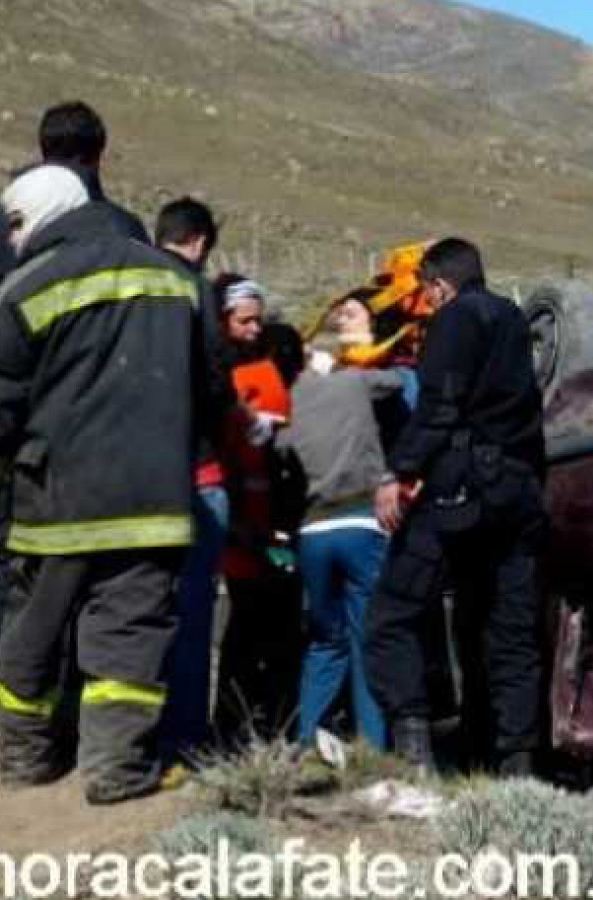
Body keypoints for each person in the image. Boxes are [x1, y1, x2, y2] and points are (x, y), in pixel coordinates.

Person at [0, 165, 205, 804]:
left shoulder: (22, 290)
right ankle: (117, 769)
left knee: (33, 630)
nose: (11, 239)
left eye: (15, 223)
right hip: (154, 499)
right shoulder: (177, 280)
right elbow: (212, 386)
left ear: (44, 214)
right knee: (130, 632)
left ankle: (22, 757)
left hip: (55, 500)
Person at [0, 100, 149, 671]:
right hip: (105, 429)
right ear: (100, 153)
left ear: (42, 151)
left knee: (8, 552)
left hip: (14, 418)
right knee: (97, 576)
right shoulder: (121, 230)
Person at [364, 238, 547, 775]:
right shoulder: (514, 320)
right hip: (517, 495)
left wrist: (400, 473)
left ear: (439, 284)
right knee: (507, 629)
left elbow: (440, 407)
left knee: (393, 614)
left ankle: (415, 755)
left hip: (458, 491)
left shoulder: (455, 319)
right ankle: (515, 765)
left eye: (426, 291)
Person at [280, 339, 404, 749]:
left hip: (312, 532)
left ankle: (306, 741)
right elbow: (396, 383)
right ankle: (374, 743)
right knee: (365, 635)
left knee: (324, 640)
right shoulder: (351, 383)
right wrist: (341, 366)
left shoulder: (285, 407)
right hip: (361, 523)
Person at [152, 197, 237, 757]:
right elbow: (212, 377)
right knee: (192, 606)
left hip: (129, 472)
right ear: (201, 242)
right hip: (196, 471)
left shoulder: (128, 282)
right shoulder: (191, 288)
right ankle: (185, 734)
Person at [213, 281, 303, 743]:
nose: (252, 330)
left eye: (257, 321)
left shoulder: (261, 375)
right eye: (243, 321)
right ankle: (233, 726)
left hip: (271, 523)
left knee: (271, 628)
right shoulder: (221, 379)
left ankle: (265, 723)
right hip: (241, 528)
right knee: (246, 632)